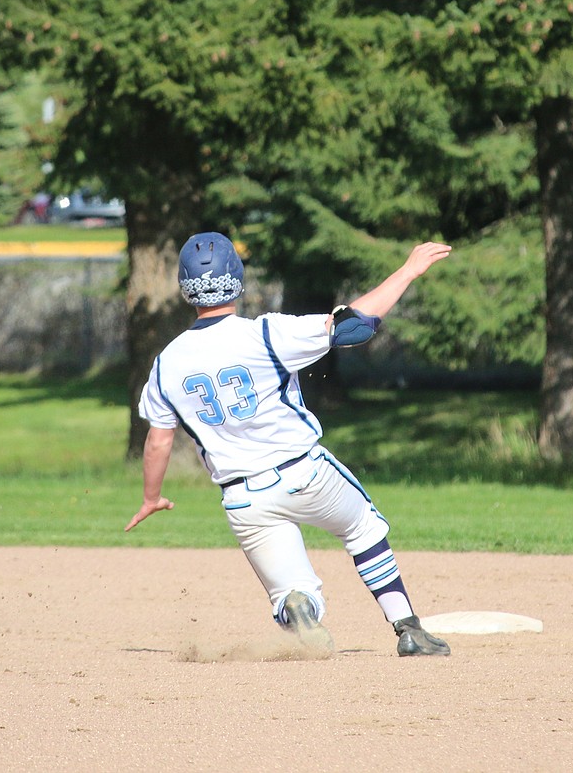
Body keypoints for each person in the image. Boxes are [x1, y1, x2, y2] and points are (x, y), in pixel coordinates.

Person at [126, 231, 453, 658]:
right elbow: (353, 326)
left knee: (292, 594)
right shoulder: (266, 333)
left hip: (243, 499)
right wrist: (408, 270)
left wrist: (151, 497)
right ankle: (408, 628)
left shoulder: (167, 364)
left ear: (186, 289)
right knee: (363, 530)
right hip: (305, 472)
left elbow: (158, 441)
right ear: (237, 279)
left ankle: (299, 605)